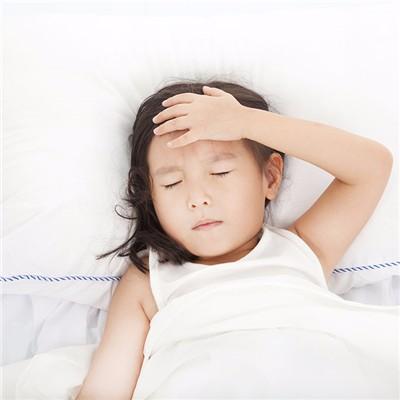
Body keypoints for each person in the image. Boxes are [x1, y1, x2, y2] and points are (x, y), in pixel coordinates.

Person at [76, 80, 397, 399]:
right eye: (172, 182)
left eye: (220, 172)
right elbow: (105, 390)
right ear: (151, 197)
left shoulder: (303, 246)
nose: (197, 198)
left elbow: (371, 166)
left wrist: (246, 122)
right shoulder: (149, 279)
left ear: (270, 177)